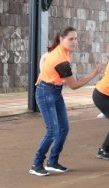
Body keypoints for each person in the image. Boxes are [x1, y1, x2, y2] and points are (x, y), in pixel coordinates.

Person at [29, 27, 103, 176]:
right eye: (71, 39)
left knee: (63, 128)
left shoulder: (60, 51)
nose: (74, 41)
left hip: (55, 91)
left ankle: (52, 162)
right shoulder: (61, 59)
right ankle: (36, 164)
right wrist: (94, 74)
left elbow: (45, 57)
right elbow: (74, 86)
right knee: (52, 130)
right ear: (61, 39)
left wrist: (42, 73)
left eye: (76, 38)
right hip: (46, 92)